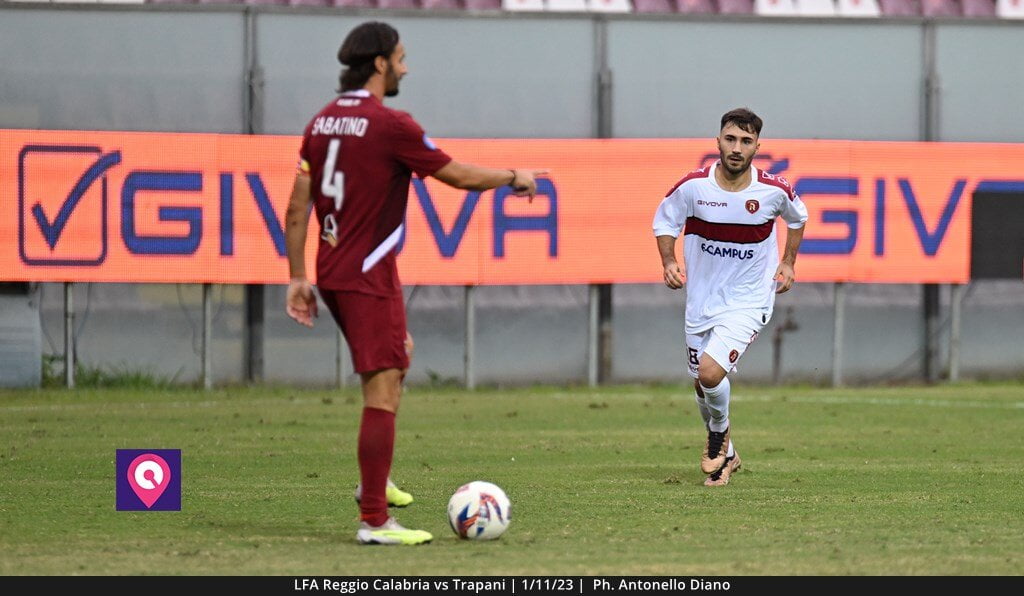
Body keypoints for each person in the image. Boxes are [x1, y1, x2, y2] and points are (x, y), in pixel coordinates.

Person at [284, 21, 545, 545]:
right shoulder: (390, 124)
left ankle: (373, 482)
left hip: (336, 269)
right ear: (379, 63)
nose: (405, 67)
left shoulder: (321, 122)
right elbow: (457, 176)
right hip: (366, 273)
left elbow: (296, 206)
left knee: (399, 355)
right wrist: (513, 176)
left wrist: (297, 276)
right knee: (382, 386)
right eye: (400, 58)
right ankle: (375, 519)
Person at [652, 108, 808, 487]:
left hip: (749, 300)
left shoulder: (774, 190)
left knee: (710, 373)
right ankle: (729, 455)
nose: (736, 148)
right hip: (701, 301)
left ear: (758, 146)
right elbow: (665, 221)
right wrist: (669, 261)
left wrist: (787, 263)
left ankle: (718, 435)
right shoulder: (693, 187)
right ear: (718, 140)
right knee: (701, 384)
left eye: (746, 141)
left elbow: (798, 218)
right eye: (730, 139)